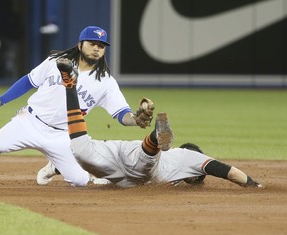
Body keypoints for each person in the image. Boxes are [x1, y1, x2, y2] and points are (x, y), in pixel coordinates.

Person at [0, 26, 152, 187]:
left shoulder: (106, 82)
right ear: (80, 45)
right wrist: (1, 100)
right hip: (30, 121)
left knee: (79, 181)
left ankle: (54, 166)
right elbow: (28, 81)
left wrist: (136, 119)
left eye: (101, 46)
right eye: (92, 43)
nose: (97, 48)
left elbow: (121, 114)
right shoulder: (56, 61)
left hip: (62, 135)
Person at [50, 59, 263, 188]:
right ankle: (156, 136)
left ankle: (70, 85)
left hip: (119, 157)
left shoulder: (178, 167)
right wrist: (253, 184)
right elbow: (225, 170)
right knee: (145, 163)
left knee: (81, 150)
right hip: (141, 166)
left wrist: (61, 167)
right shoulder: (189, 157)